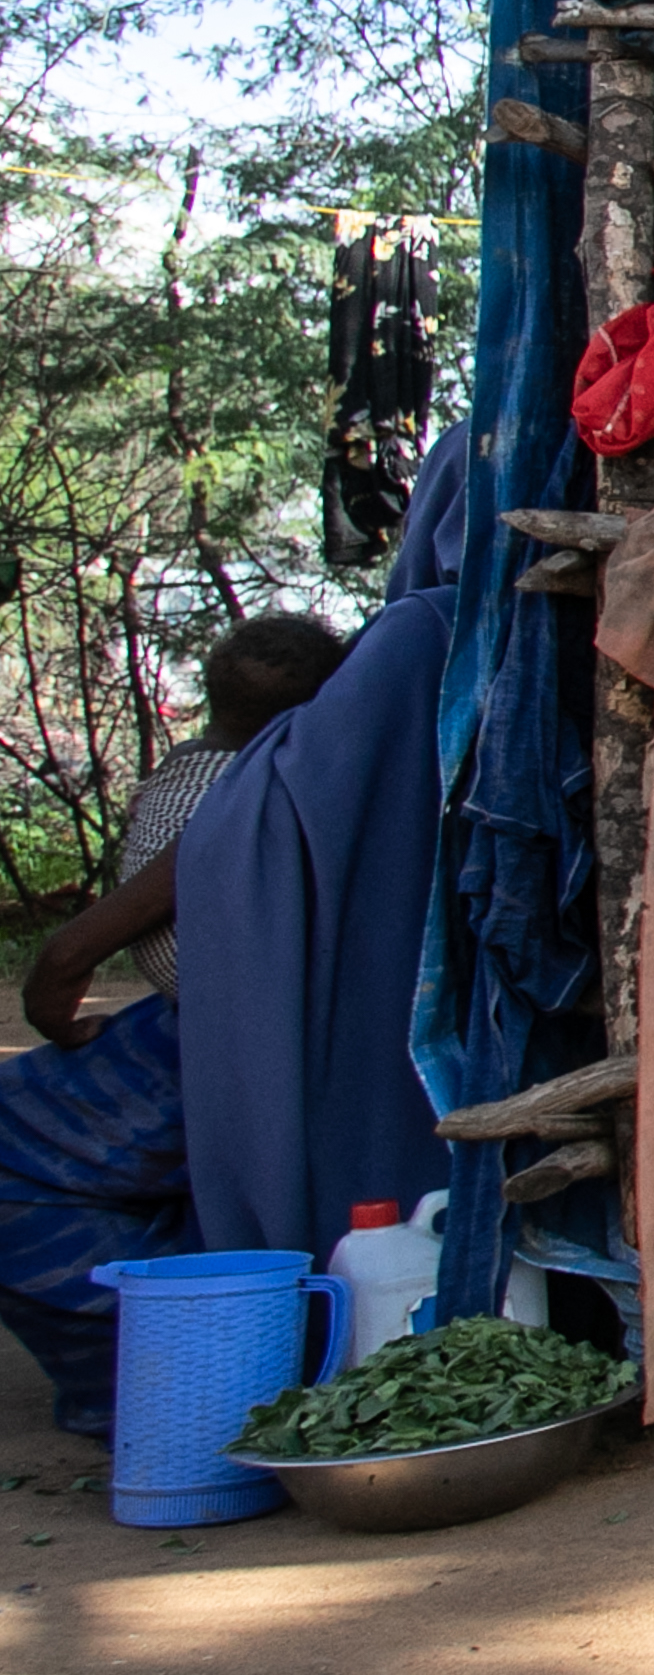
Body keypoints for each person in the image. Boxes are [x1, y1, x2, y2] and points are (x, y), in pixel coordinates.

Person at [0, 615, 354, 1436]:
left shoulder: (251, 788)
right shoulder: (242, 771)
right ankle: (186, 1338)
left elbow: (85, 943)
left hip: (217, 1036)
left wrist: (62, 972)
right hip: (210, 1024)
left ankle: (146, 1371)